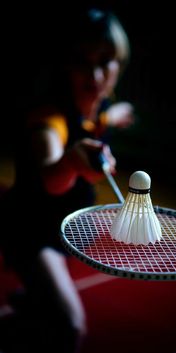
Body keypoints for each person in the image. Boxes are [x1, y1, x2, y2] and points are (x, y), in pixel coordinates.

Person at [0, 8, 134, 353]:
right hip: (30, 232)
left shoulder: (97, 106)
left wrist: (118, 115)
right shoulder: (50, 119)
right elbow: (51, 177)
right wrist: (72, 162)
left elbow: (102, 117)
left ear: (119, 62)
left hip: (62, 230)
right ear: (64, 65)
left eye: (105, 61)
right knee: (70, 328)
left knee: (45, 305)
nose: (96, 73)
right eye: (82, 62)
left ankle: (30, 303)